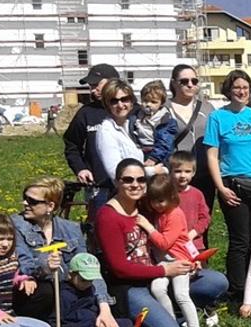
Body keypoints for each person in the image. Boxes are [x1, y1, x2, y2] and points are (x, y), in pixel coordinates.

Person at [94, 159, 198, 327]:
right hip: (131, 286)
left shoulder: (147, 206)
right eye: (128, 180)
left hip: (158, 272)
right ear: (117, 182)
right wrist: (164, 270)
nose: (135, 185)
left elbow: (176, 235)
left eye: (141, 180)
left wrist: (190, 258)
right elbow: (119, 268)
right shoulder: (108, 216)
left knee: (215, 282)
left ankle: (172, 314)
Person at [11, 176, 119, 327]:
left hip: (67, 293)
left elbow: (88, 266)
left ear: (50, 206)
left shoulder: (71, 229)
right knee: (47, 291)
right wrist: (45, 267)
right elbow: (24, 265)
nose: (25, 203)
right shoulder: (15, 225)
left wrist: (105, 308)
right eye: (24, 198)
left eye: (32, 201)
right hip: (33, 291)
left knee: (83, 291)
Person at [204, 70, 251, 303]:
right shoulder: (218, 117)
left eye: (245, 87)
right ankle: (237, 289)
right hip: (233, 183)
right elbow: (212, 154)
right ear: (229, 90)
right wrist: (220, 187)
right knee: (240, 239)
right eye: (237, 87)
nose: (242, 91)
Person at [139, 174, 205, 327]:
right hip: (164, 262)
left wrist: (147, 226)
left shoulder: (175, 214)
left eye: (161, 201)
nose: (157, 205)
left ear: (171, 197)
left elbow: (165, 243)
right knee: (157, 289)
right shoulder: (160, 214)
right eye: (154, 201)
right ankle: (172, 324)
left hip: (179, 260)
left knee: (181, 294)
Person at [165, 149, 229, 317]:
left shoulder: (197, 194)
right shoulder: (166, 194)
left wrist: (194, 233)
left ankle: (205, 306)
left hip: (195, 246)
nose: (182, 176)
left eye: (187, 171)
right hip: (174, 247)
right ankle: (179, 308)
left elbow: (205, 217)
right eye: (178, 171)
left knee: (200, 275)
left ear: (193, 173)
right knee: (178, 277)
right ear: (170, 172)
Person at [87, 80, 150, 220]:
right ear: (107, 105)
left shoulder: (135, 125)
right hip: (121, 199)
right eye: (114, 101)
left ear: (132, 101)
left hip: (140, 196)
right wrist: (153, 171)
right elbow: (114, 171)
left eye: (124, 99)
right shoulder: (105, 131)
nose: (120, 105)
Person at [63, 63, 118, 193]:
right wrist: (80, 168)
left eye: (96, 85)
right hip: (98, 187)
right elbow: (72, 145)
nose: (93, 90)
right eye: (90, 86)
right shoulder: (86, 113)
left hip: (132, 185)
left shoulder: (133, 111)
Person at [167, 64, 214, 207]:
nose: (190, 85)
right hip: (176, 176)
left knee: (202, 219)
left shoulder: (207, 108)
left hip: (203, 175)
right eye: (184, 81)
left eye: (194, 81)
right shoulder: (164, 109)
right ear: (174, 83)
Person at [58, 253, 117, 327]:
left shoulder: (91, 289)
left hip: (95, 324)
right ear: (70, 275)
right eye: (84, 280)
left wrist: (100, 320)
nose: (88, 284)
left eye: (91, 280)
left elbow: (93, 308)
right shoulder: (64, 294)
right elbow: (57, 320)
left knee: (126, 324)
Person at [131, 80, 176, 165]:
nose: (148, 104)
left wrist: (154, 158)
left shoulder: (164, 120)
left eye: (153, 102)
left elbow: (164, 142)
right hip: (140, 153)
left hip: (159, 157)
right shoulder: (136, 116)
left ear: (161, 103)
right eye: (145, 101)